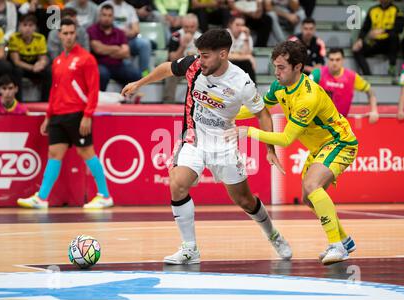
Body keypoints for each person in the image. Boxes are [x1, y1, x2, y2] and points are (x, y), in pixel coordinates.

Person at [121, 29, 292, 265]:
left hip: (223, 144)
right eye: (199, 55)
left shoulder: (241, 82)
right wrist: (139, 83)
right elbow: (166, 68)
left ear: (223, 54)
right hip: (194, 137)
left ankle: (273, 234)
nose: (200, 61)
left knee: (245, 201)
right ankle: (190, 249)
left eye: (205, 56)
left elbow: (262, 114)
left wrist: (269, 149)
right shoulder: (194, 66)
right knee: (178, 183)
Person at [228, 41, 358, 265]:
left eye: (281, 68)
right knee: (310, 199)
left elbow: (286, 139)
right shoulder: (279, 86)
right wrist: (227, 114)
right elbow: (259, 109)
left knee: (311, 186)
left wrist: (247, 131)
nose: (276, 72)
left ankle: (337, 245)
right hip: (320, 147)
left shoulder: (308, 97)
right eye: (275, 67)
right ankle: (345, 240)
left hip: (340, 142)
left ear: (298, 67)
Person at [17, 18, 114, 209]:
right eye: (65, 33)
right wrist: (48, 115)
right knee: (54, 153)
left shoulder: (86, 58)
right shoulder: (58, 61)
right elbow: (55, 90)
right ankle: (42, 198)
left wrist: (87, 115)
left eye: (71, 33)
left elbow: (93, 90)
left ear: (75, 34)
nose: (68, 37)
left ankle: (105, 195)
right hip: (58, 115)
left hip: (78, 114)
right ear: (59, 35)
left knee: (86, 152)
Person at [309, 48, 379, 123]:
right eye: (331, 59)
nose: (334, 63)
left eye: (337, 59)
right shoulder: (317, 74)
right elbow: (303, 90)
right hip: (318, 123)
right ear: (328, 60)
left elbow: (370, 91)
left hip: (340, 124)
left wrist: (374, 110)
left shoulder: (352, 76)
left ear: (343, 60)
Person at [87, 4, 141, 91]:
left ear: (113, 17)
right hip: (100, 64)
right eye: (104, 15)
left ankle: (123, 97)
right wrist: (116, 48)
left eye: (109, 15)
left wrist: (105, 50)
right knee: (102, 74)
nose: (107, 18)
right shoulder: (92, 30)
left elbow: (126, 53)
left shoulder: (119, 32)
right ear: (99, 16)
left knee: (136, 74)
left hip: (118, 65)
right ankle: (100, 99)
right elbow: (98, 49)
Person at [352, 0, 404, 76]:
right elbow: (365, 28)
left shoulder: (396, 10)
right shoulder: (373, 10)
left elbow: (399, 28)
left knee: (394, 36)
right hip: (376, 42)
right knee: (357, 49)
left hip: (390, 44)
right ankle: (367, 74)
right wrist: (360, 39)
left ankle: (392, 67)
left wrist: (383, 31)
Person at [8, 13, 51, 102]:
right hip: (22, 67)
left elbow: (42, 57)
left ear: (35, 27)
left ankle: (45, 101)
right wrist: (32, 68)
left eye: (31, 25)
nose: (27, 28)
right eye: (25, 25)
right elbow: (16, 61)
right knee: (16, 70)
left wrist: (41, 64)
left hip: (34, 65)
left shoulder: (40, 38)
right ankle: (18, 101)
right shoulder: (14, 38)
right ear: (19, 26)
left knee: (48, 71)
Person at [163, 13, 201, 103]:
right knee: (171, 74)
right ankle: (168, 103)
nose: (189, 30)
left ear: (197, 26)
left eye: (192, 27)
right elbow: (172, 59)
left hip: (196, 68)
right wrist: (183, 46)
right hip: (179, 67)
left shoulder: (201, 38)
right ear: (182, 26)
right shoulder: (176, 36)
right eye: (186, 27)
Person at [227, 15, 256, 83]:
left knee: (247, 63)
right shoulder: (225, 34)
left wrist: (246, 37)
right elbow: (226, 56)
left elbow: (246, 53)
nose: (240, 28)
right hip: (226, 63)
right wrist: (248, 57)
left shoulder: (246, 35)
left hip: (239, 62)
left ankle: (252, 88)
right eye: (237, 25)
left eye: (242, 25)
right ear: (230, 25)